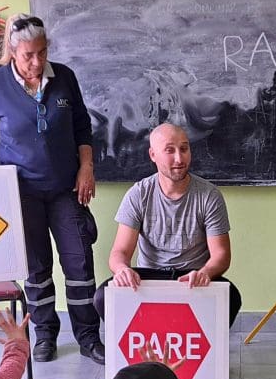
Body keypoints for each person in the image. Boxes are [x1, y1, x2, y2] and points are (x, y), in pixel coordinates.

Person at [0, 14, 104, 365]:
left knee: (80, 265)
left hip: (67, 189)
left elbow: (82, 127)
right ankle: (44, 336)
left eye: (42, 52)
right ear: (12, 52)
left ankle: (87, 337)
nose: (37, 62)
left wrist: (86, 168)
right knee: (37, 269)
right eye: (28, 55)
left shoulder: (64, 77)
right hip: (21, 192)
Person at [95, 123, 240, 326]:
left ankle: (204, 349)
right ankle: (141, 347)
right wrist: (121, 270)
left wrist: (205, 273)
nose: (179, 159)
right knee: (102, 297)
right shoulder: (139, 194)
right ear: (153, 155)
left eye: (184, 149)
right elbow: (119, 252)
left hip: (192, 276)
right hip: (150, 278)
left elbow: (221, 256)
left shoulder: (209, 196)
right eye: (169, 150)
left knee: (232, 296)